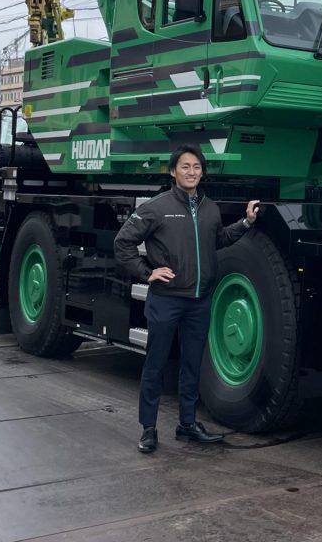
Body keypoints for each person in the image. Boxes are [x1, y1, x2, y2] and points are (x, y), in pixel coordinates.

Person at [114, 144, 258, 454]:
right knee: (155, 365)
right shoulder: (156, 207)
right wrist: (146, 272)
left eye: (196, 167)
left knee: (192, 365)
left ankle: (187, 424)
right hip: (166, 300)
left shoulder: (210, 208)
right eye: (185, 166)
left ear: (202, 172)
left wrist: (245, 223)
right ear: (173, 171)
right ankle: (148, 428)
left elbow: (218, 240)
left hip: (199, 301)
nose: (191, 172)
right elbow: (122, 243)